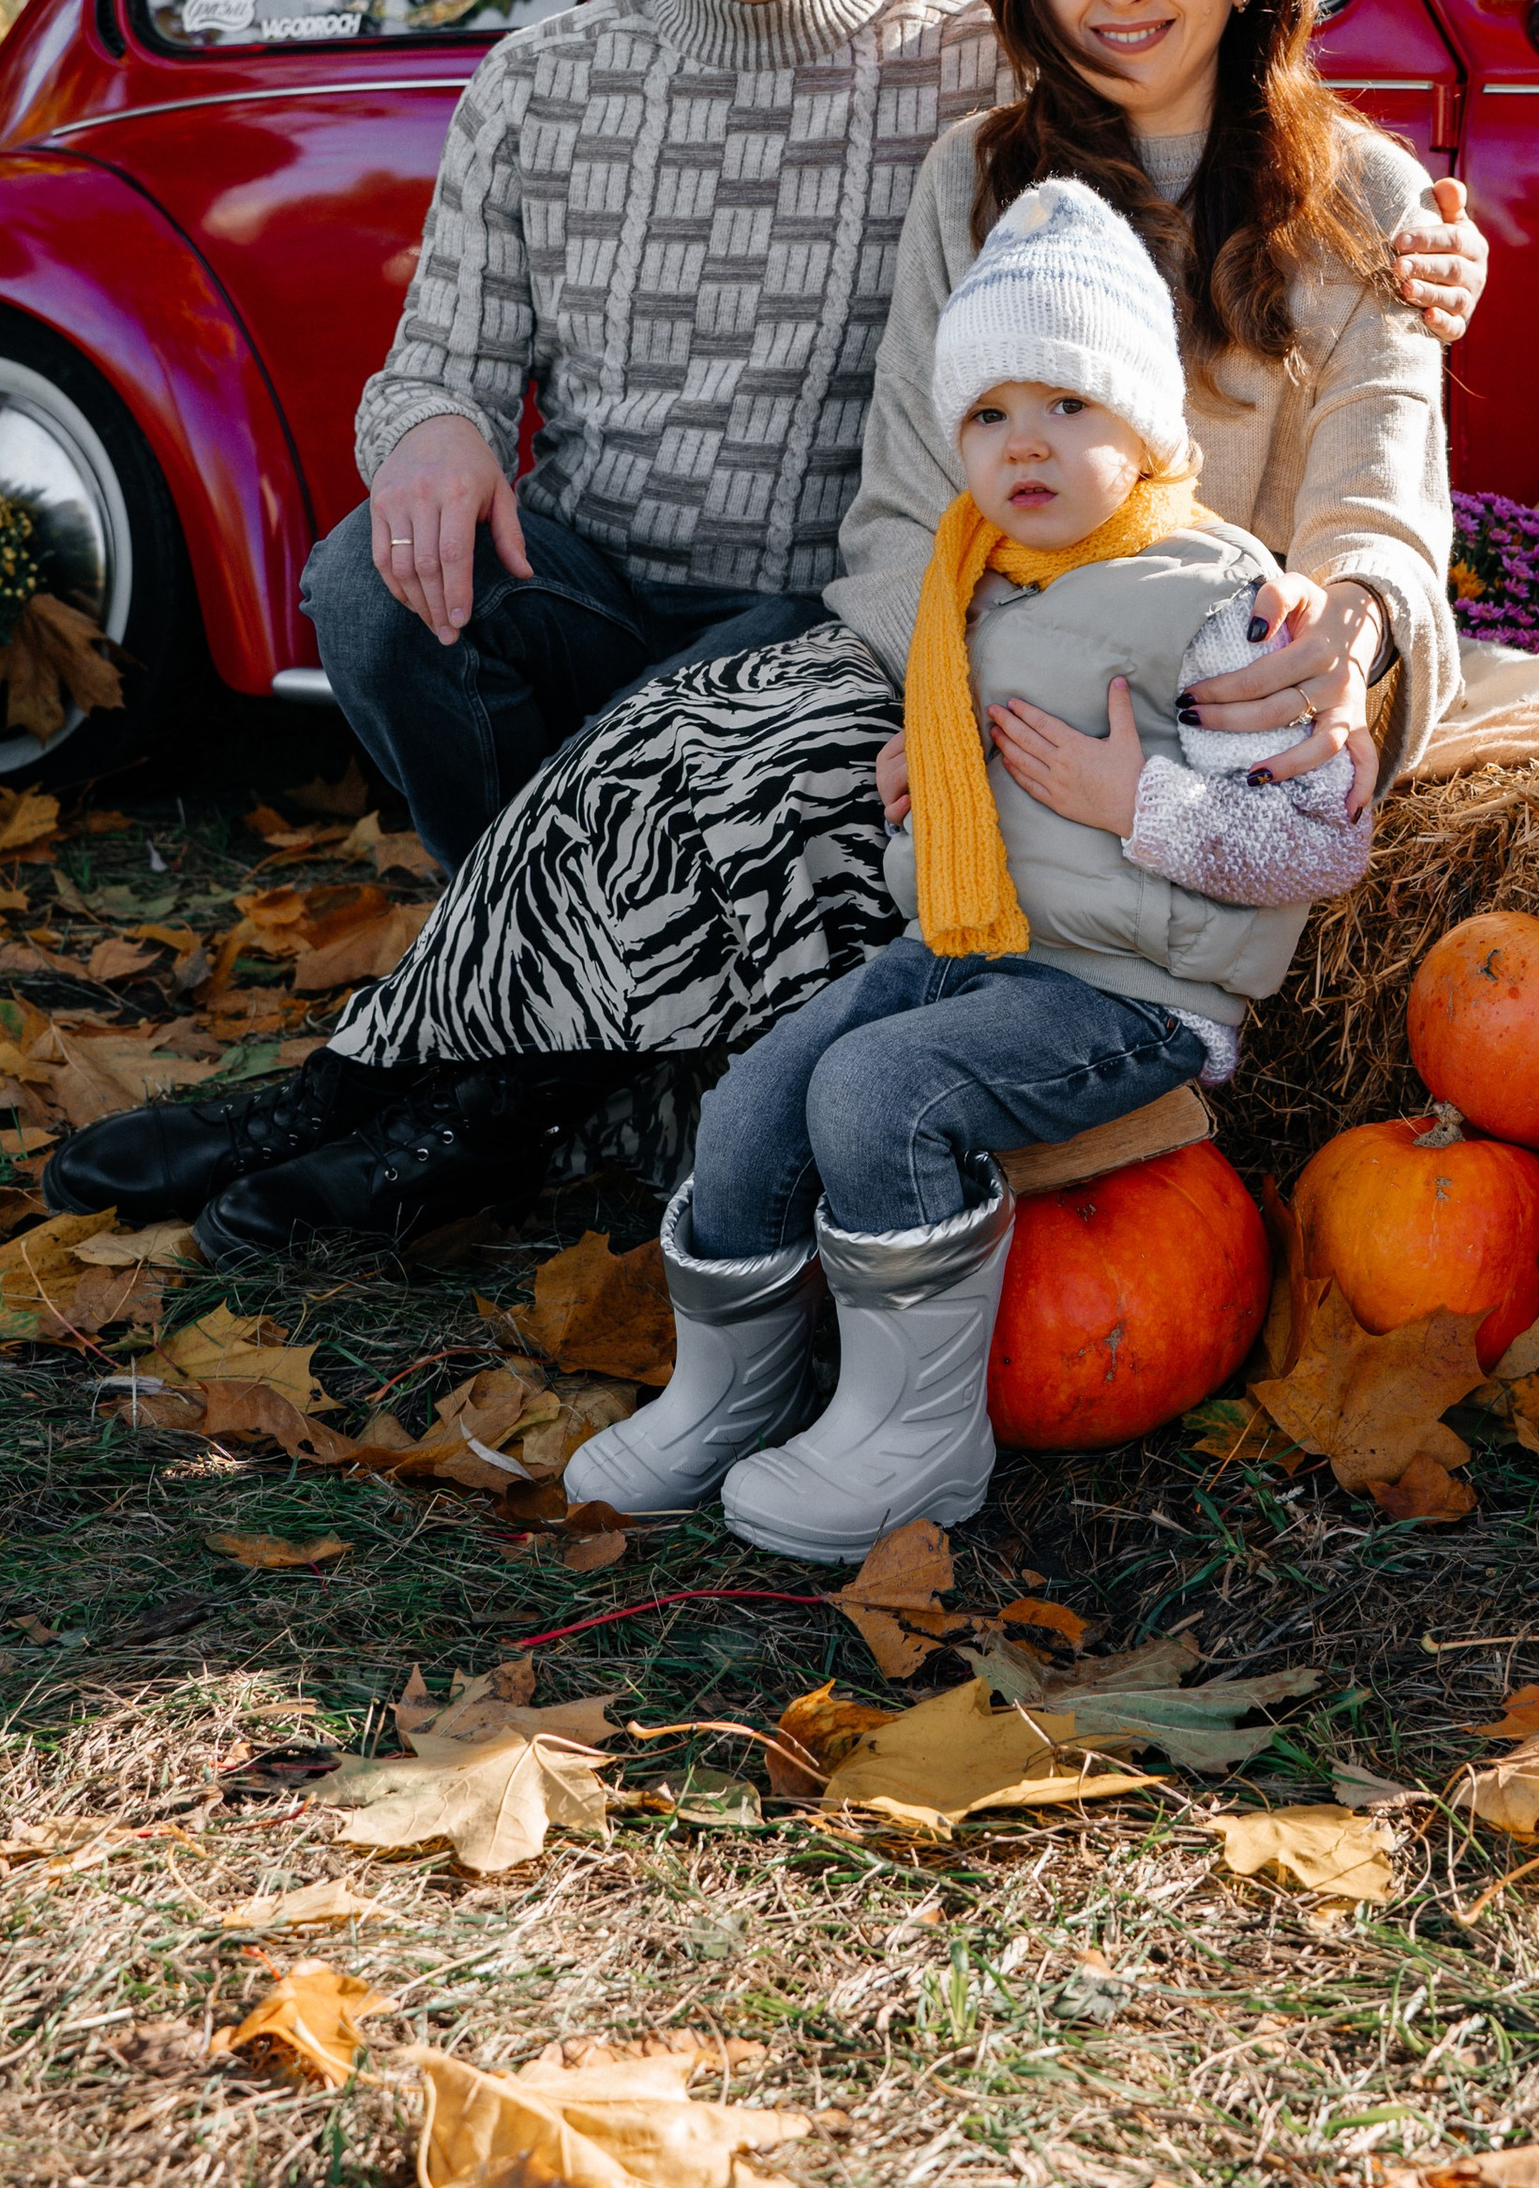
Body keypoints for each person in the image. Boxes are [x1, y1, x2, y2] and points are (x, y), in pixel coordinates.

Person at [47, 0, 1481, 1249]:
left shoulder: (1322, 187)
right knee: (505, 670)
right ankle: (407, 1090)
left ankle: (445, 1101)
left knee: (694, 768)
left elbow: (1379, 494)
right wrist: (437, 423)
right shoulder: (976, 160)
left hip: (1100, 667)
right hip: (843, 614)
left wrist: (1358, 616)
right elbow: (907, 490)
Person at [565, 177, 1385, 1559]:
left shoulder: (1224, 602)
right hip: (975, 947)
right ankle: (729, 1399)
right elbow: (994, 810)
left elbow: (1326, 845)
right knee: (756, 1093)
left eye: (1068, 402)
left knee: (880, 1089)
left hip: (1130, 993)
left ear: (1146, 423)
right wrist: (925, 795)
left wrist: (1137, 799)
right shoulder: (975, 583)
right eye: (990, 414)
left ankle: (917, 1439)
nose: (1027, 441)